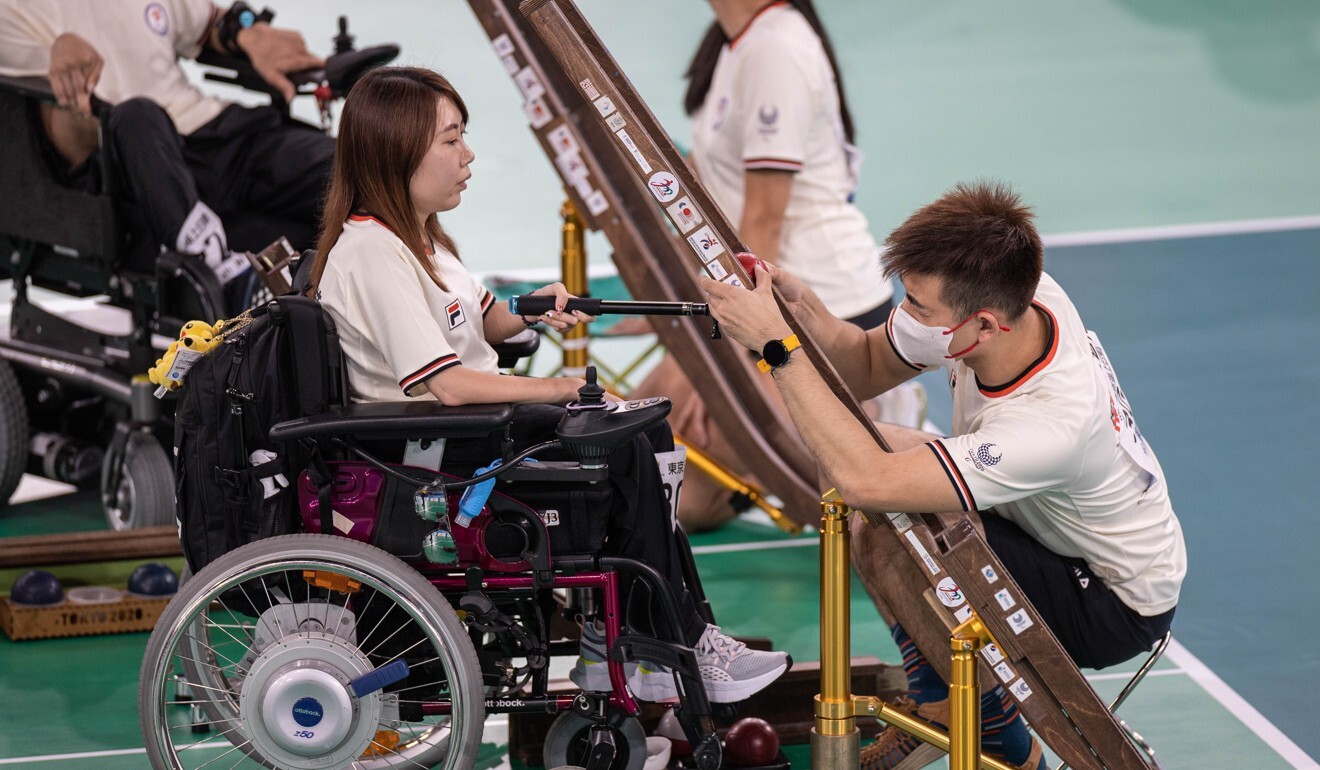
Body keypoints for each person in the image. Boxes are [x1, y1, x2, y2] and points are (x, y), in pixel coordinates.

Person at [304, 65, 789, 704]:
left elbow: (481, 320)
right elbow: (447, 385)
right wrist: (561, 388)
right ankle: (654, 646)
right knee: (622, 441)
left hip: (467, 435)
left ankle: (649, 637)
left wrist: (528, 308)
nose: (468, 153)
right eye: (451, 139)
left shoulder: (421, 239)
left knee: (642, 431)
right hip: (429, 453)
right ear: (400, 148)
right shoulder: (371, 253)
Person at [701, 181, 1185, 768]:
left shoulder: (1049, 424)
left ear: (984, 327)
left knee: (886, 515)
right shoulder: (1015, 299)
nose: (907, 317)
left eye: (919, 308)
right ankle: (960, 710)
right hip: (1040, 522)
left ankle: (984, 724)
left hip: (1109, 599)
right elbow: (868, 362)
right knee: (884, 478)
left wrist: (776, 347)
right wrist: (803, 314)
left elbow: (866, 481)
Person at [633, 0, 922, 531]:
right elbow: (703, 202)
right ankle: (765, 468)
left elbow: (760, 225)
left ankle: (881, 410)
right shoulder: (734, 40)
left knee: (677, 493)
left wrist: (709, 364)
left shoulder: (777, 48)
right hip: (762, 305)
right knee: (645, 459)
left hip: (825, 313)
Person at [0, 0, 334, 305]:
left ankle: (367, 241)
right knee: (136, 115)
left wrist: (246, 32)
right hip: (128, 164)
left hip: (212, 133)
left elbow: (209, 24)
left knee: (346, 167)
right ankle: (213, 277)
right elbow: (62, 145)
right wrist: (64, 67)